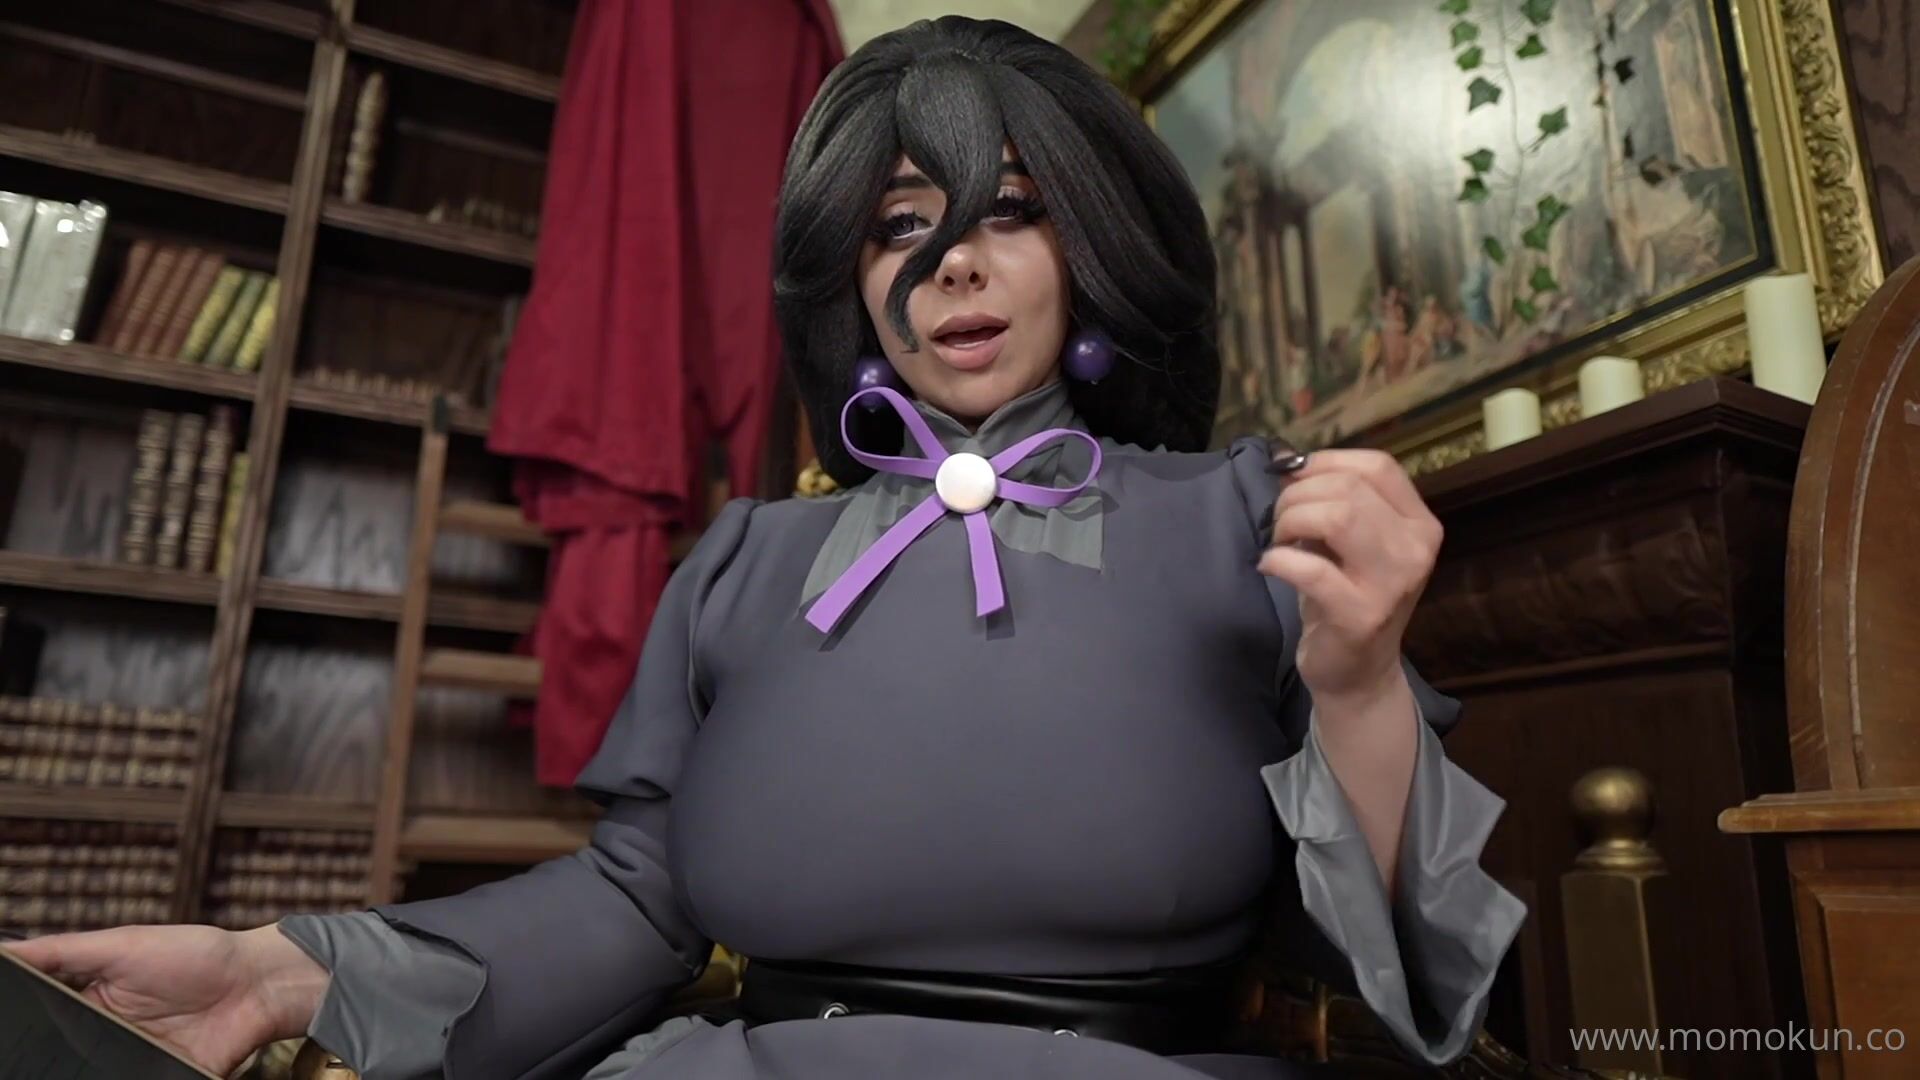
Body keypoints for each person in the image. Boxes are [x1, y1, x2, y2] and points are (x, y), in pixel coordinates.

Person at [5, 18, 1523, 1080]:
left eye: (1010, 211)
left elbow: (1414, 976)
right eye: (898, 227)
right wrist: (279, 969)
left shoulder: (1249, 519)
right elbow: (635, 900)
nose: (953, 264)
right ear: (845, 280)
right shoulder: (744, 556)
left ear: (1098, 245)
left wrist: (1358, 688)